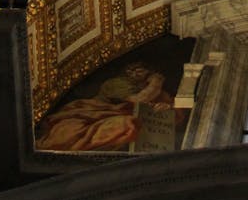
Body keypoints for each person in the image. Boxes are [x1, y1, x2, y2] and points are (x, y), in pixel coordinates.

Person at [37, 61, 173, 152]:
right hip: (93, 115)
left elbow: (172, 113)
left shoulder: (155, 91)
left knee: (130, 125)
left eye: (139, 71)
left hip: (120, 120)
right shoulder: (117, 83)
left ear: (149, 73)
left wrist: (164, 107)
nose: (133, 74)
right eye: (130, 71)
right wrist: (156, 82)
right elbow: (140, 100)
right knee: (124, 124)